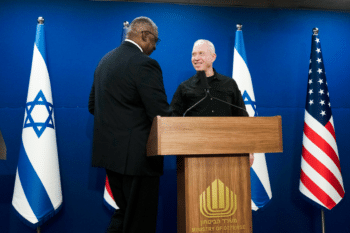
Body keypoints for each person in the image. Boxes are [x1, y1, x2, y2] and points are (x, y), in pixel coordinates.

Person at [88, 16, 171, 233]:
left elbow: (92, 106)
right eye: (155, 41)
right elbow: (160, 114)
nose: (154, 47)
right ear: (145, 35)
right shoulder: (145, 63)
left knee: (124, 213)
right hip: (139, 159)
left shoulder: (104, 61)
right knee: (140, 221)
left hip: (111, 158)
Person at [170, 39, 254, 165]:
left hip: (228, 151)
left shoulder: (229, 84)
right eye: (193, 54)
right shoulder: (185, 87)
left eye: (201, 53)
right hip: (194, 152)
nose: (196, 58)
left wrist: (249, 148)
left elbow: (242, 117)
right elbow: (172, 118)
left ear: (213, 57)